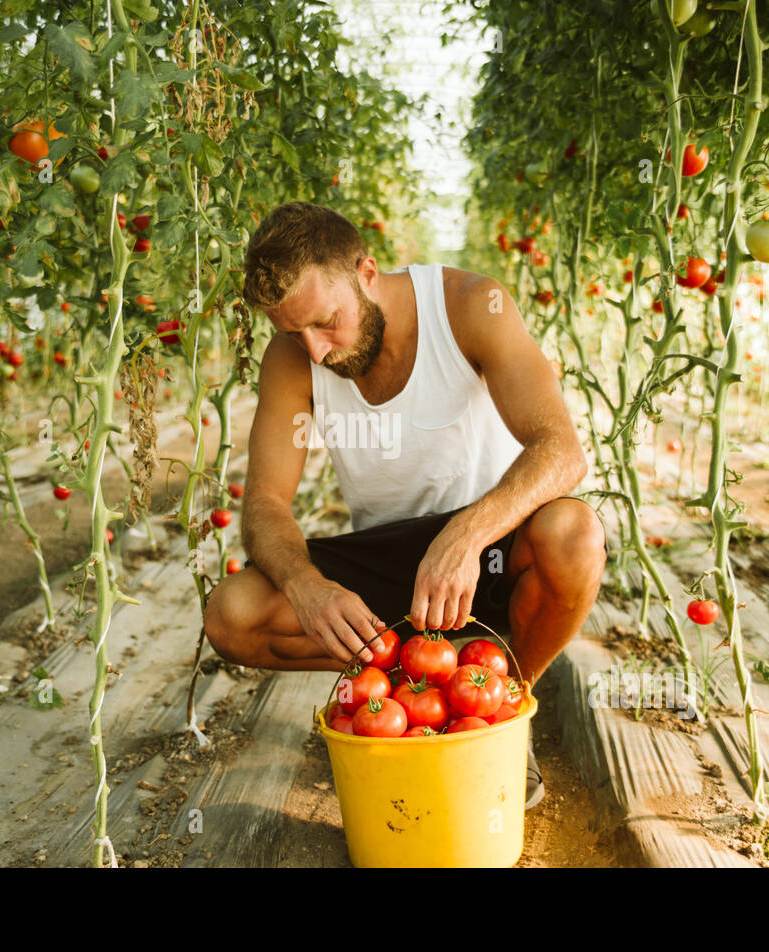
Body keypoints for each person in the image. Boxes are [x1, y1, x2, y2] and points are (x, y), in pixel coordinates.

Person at [203, 202, 606, 808]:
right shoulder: (293, 359)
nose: (314, 351)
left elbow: (562, 452)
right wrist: (307, 585)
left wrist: (468, 534)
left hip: (491, 552)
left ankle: (497, 709)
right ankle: (399, 691)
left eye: (325, 322)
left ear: (366, 273)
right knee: (232, 613)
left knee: (574, 534)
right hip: (386, 567)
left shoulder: (470, 306)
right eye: (293, 332)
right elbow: (264, 501)